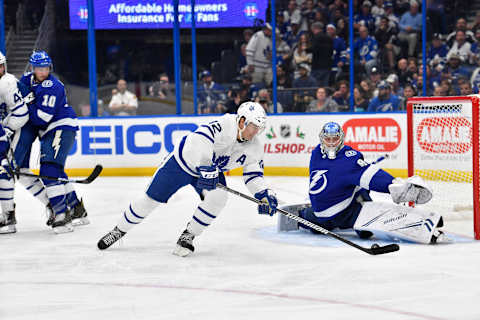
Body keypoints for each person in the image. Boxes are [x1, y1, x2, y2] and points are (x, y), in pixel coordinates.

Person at [97, 102, 278, 256]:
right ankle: (118, 230)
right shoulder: (225, 124)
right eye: (254, 127)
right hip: (182, 163)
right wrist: (205, 164)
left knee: (218, 198)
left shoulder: (255, 147)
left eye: (259, 129)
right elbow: (201, 139)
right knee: (150, 200)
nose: (255, 132)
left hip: (211, 171)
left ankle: (188, 235)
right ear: (242, 121)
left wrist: (264, 194)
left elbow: (253, 175)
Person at [279, 122, 448, 244]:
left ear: (341, 139)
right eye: (328, 139)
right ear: (322, 139)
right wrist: (396, 186)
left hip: (319, 215)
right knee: (361, 189)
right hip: (344, 215)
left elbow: (340, 174)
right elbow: (371, 176)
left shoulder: (316, 153)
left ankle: (303, 216)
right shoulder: (348, 157)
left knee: (317, 219)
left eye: (334, 139)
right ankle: (366, 223)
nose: (331, 143)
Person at [20, 51, 87, 233]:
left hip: (60, 127)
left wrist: (29, 103)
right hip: (52, 130)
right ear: (33, 68)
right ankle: (77, 210)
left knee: (48, 169)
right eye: (39, 68)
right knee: (55, 171)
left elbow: (42, 118)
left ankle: (61, 215)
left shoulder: (52, 86)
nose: (43, 71)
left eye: (46, 67)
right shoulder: (28, 80)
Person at [0, 51, 59, 234]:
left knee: (5, 171)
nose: (0, 70)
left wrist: (5, 131)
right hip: (18, 130)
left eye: (1, 65)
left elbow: (21, 114)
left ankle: (8, 218)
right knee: (23, 173)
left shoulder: (6, 83)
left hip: (21, 129)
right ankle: (55, 206)